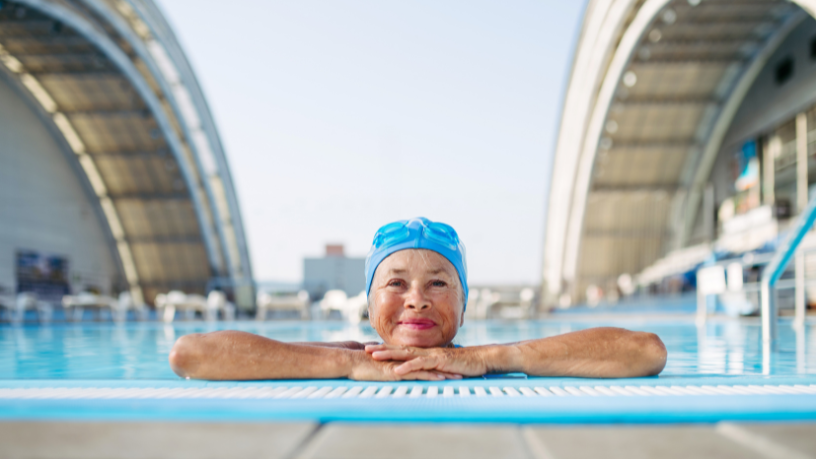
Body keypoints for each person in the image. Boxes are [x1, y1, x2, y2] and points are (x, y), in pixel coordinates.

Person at [169, 217, 667, 381]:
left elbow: (645, 350)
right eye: (396, 283)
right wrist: (350, 367)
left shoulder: (496, 360)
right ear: (368, 306)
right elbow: (190, 353)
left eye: (438, 283)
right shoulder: (346, 354)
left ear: (464, 304)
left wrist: (490, 359)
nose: (417, 300)